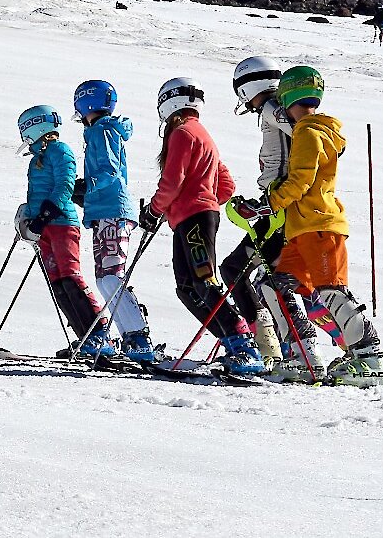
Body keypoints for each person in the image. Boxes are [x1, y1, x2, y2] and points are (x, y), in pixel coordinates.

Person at [268, 65, 383, 387]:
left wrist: (271, 200)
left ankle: (369, 355)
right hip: (302, 229)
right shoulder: (314, 131)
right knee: (276, 285)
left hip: (319, 226)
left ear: (286, 98)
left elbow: (300, 181)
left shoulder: (308, 132)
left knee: (331, 291)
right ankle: (301, 355)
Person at [140, 77, 269, 377]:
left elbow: (172, 181)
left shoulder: (182, 133)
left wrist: (155, 210)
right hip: (192, 217)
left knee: (204, 282)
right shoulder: (201, 133)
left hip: (193, 218)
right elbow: (226, 185)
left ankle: (244, 346)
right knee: (187, 287)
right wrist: (204, 201)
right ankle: (232, 341)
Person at [220, 56, 330, 380]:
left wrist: (274, 196)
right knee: (262, 278)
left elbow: (303, 131)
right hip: (277, 206)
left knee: (244, 272)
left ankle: (283, 348)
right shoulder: (275, 109)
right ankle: (283, 347)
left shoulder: (272, 109)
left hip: (280, 210)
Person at [72, 80, 161, 365]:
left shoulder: (103, 130)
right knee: (105, 279)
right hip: (104, 210)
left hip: (112, 209)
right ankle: (131, 337)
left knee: (111, 277)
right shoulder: (100, 131)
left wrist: (87, 186)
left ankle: (139, 337)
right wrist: (87, 193)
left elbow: (109, 170)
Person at [16, 105, 110, 358]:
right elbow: (38, 192)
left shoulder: (60, 150)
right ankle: (84, 338)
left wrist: (45, 215)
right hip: (44, 226)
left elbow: (65, 185)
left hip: (61, 224)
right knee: (57, 283)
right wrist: (29, 217)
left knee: (70, 277)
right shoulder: (37, 158)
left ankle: (99, 333)